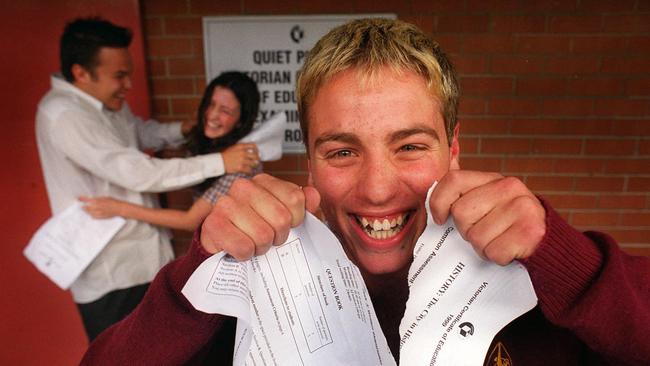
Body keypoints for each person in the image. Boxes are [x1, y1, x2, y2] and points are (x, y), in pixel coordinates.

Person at [82, 18, 650, 365]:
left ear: (453, 150)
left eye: (409, 147)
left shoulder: (542, 278)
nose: (377, 188)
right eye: (342, 151)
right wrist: (199, 279)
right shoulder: (253, 285)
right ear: (311, 162)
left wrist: (567, 262)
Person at [35, 18, 260, 341]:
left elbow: (139, 133)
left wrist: (186, 129)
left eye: (226, 110)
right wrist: (218, 161)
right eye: (119, 76)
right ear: (81, 73)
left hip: (145, 259)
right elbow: (139, 172)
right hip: (114, 272)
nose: (128, 85)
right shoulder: (67, 116)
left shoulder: (103, 102)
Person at [80, 71, 263, 232]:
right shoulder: (212, 142)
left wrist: (118, 208)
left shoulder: (242, 161)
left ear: (241, 120)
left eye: (225, 110)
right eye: (210, 104)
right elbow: (147, 135)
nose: (212, 115)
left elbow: (190, 221)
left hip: (229, 252)